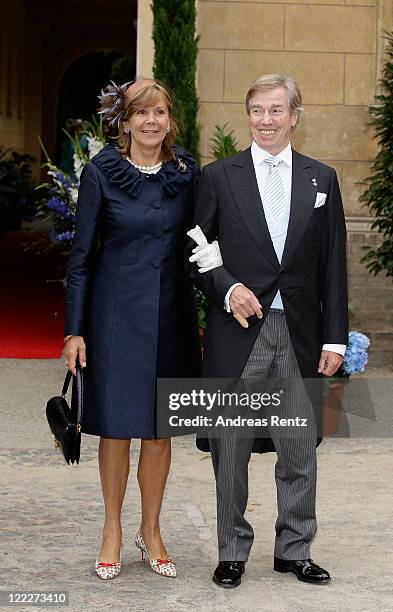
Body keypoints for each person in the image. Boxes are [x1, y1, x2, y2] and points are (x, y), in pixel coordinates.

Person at [188, 74, 348, 588]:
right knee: (229, 448)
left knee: (299, 447)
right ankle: (232, 550)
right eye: (257, 110)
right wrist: (227, 287)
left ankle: (294, 550)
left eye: (276, 110)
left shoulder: (321, 179)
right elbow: (196, 249)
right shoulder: (219, 177)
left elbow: (333, 266)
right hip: (240, 329)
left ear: (294, 115)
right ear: (248, 115)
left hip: (300, 332)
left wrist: (335, 337)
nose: (266, 120)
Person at [64, 78, 201, 580]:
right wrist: (74, 330)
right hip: (114, 316)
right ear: (123, 121)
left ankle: (153, 530)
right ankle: (112, 530)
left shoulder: (187, 172)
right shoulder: (102, 173)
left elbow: (203, 244)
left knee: (160, 431)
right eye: (140, 113)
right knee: (119, 427)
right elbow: (80, 259)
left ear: (170, 120)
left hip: (170, 314)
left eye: (159, 112)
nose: (150, 122)